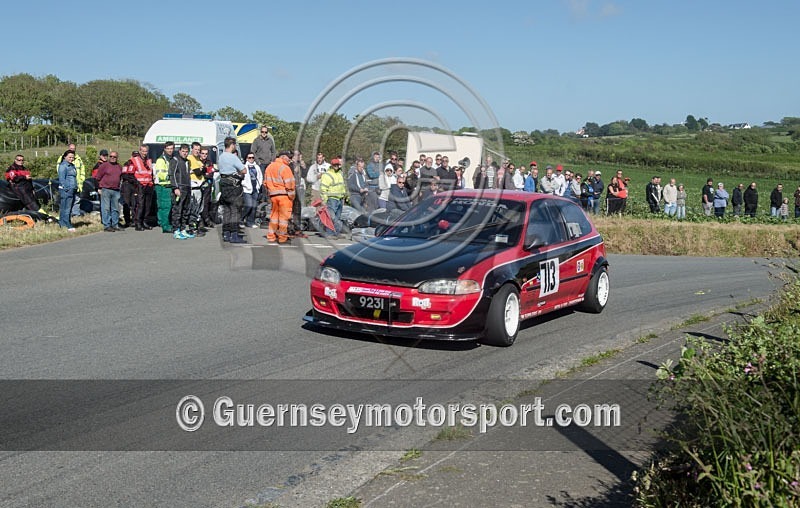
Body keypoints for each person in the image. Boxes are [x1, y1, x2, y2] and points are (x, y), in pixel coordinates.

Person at [217, 136, 247, 243]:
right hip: (233, 186)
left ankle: (226, 233)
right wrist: (238, 173)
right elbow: (244, 170)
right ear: (232, 145)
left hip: (224, 184)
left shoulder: (221, 157)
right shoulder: (233, 157)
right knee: (234, 211)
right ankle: (234, 235)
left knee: (227, 210)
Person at [264, 150, 296, 244]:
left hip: (273, 196)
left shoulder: (269, 167)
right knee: (283, 218)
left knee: (274, 217)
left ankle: (271, 236)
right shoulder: (285, 168)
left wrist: (270, 192)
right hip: (284, 196)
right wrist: (292, 196)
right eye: (288, 157)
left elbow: (265, 182)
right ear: (283, 157)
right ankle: (282, 238)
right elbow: (290, 184)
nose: (290, 159)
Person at [168, 144, 193, 239]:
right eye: (183, 151)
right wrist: (175, 187)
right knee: (177, 209)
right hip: (179, 187)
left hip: (187, 187)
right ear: (179, 151)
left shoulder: (187, 161)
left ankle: (183, 228)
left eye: (186, 152)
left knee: (185, 210)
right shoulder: (175, 160)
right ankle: (176, 230)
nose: (185, 153)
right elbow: (172, 174)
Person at [94, 151, 122, 231]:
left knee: (115, 208)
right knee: (106, 208)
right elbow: (98, 177)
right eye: (111, 156)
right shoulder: (104, 166)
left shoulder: (119, 167)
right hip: (106, 189)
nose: (112, 158)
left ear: (117, 158)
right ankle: (107, 225)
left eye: (114, 157)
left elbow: (120, 178)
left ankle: (115, 224)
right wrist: (99, 188)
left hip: (116, 190)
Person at [319, 158, 346, 238]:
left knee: (337, 217)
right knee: (331, 217)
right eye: (334, 165)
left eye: (337, 165)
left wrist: (344, 196)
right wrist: (324, 199)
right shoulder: (327, 175)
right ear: (332, 165)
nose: (336, 166)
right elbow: (323, 188)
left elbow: (342, 186)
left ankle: (336, 233)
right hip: (331, 199)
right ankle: (329, 233)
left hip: (339, 198)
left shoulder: (340, 173)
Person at [56, 143, 86, 217]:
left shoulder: (78, 159)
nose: (72, 150)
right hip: (68, 184)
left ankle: (75, 214)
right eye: (71, 148)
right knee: (67, 201)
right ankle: (67, 216)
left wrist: (81, 179)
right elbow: (60, 170)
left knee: (77, 199)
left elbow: (82, 169)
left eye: (74, 148)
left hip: (77, 183)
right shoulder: (63, 158)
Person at [132, 145, 155, 231]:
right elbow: (130, 174)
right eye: (143, 151)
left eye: (146, 151)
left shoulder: (149, 161)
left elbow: (150, 173)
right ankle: (138, 223)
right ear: (140, 151)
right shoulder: (135, 160)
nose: (144, 153)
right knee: (140, 205)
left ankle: (145, 221)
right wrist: (136, 184)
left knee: (147, 205)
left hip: (149, 185)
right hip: (140, 185)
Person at [153, 142, 174, 232]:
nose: (170, 150)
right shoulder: (161, 160)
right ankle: (165, 226)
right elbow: (161, 175)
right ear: (164, 149)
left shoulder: (170, 159)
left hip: (165, 185)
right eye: (168, 148)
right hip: (164, 185)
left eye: (171, 148)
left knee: (162, 206)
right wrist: (172, 176)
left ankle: (162, 222)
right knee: (166, 206)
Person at [186, 142, 206, 235]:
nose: (197, 151)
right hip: (193, 187)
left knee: (199, 208)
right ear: (192, 149)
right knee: (194, 208)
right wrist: (201, 169)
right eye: (195, 149)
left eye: (199, 150)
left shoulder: (198, 159)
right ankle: (192, 227)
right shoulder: (191, 158)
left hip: (200, 186)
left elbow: (205, 170)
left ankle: (196, 225)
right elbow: (198, 172)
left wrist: (202, 169)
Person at [57, 150, 78, 231]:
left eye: (73, 157)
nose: (71, 159)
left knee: (66, 207)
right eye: (70, 157)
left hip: (72, 188)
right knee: (66, 207)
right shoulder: (63, 166)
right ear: (65, 157)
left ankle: (62, 223)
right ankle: (67, 223)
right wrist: (66, 188)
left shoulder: (72, 166)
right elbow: (62, 179)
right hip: (67, 190)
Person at [241, 152, 263, 229]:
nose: (251, 159)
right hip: (247, 189)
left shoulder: (257, 167)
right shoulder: (244, 166)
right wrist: (245, 185)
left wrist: (259, 185)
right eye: (249, 157)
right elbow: (242, 178)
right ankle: (241, 219)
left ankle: (250, 221)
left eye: (252, 157)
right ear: (246, 158)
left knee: (254, 207)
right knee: (248, 205)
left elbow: (260, 177)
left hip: (255, 189)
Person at [119, 152, 139, 228]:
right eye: (134, 156)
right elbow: (124, 175)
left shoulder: (139, 164)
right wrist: (133, 180)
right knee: (126, 203)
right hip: (127, 185)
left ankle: (134, 220)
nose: (135, 158)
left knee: (135, 204)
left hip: (135, 186)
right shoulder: (127, 163)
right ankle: (127, 221)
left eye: (136, 156)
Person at [289, 150, 306, 236]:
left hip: (299, 188)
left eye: (299, 155)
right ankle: (290, 227)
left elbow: (305, 176)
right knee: (291, 210)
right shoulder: (289, 165)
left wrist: (303, 167)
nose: (298, 157)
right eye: (297, 155)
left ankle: (297, 228)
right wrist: (295, 166)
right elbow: (290, 174)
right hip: (292, 189)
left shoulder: (300, 164)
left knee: (298, 209)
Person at [199, 148, 217, 228]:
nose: (204, 155)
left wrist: (204, 173)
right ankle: (199, 220)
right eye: (202, 153)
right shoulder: (197, 162)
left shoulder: (209, 163)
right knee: (198, 203)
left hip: (207, 185)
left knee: (206, 203)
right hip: (198, 185)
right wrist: (204, 173)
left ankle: (206, 219)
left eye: (206, 154)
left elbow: (210, 174)